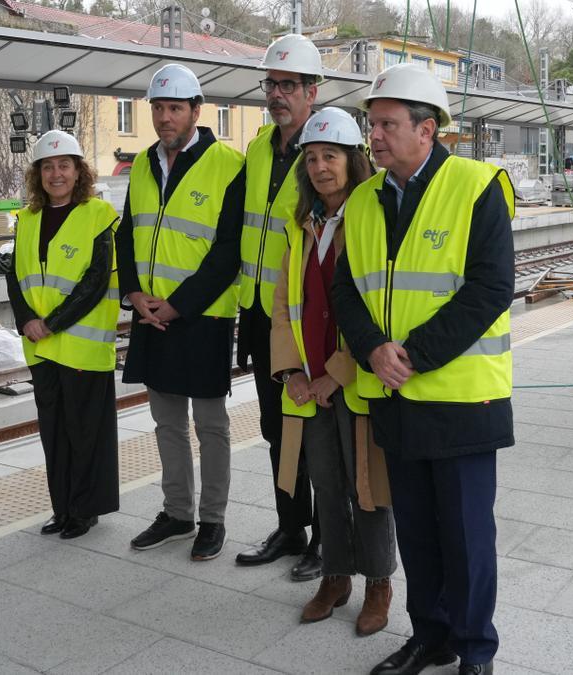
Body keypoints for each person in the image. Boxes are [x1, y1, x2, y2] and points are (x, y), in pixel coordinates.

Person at [331, 63, 515, 675]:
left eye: (386, 124)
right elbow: (345, 292)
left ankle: (475, 650)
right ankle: (430, 636)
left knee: (466, 538)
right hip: (395, 397)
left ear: (426, 129)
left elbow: (490, 288)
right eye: (370, 123)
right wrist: (371, 350)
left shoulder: (477, 185)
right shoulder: (362, 200)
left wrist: (409, 353)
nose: (373, 136)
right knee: (417, 529)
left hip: (462, 398)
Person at [271, 107, 398, 635]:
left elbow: (379, 305)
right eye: (312, 158)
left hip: (356, 382)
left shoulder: (371, 219)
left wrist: (337, 372)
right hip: (310, 386)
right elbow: (284, 305)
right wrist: (292, 372)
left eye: (331, 156)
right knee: (325, 481)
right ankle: (336, 575)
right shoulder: (304, 226)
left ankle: (378, 582)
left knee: (367, 487)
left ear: (354, 160)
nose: (321, 167)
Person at [117, 63, 245, 561]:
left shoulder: (228, 165)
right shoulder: (145, 162)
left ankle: (212, 520)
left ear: (196, 110)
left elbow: (228, 251)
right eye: (158, 108)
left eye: (175, 108)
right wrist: (133, 293)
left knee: (211, 425)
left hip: (203, 317)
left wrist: (179, 304)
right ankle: (176, 512)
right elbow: (127, 232)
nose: (165, 118)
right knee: (166, 422)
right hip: (151, 315)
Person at [235, 33, 324, 581]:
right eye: (271, 84)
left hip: (308, 317)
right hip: (261, 312)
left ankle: (326, 537)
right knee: (276, 427)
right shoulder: (257, 148)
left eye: (288, 85)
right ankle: (290, 527)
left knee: (316, 428)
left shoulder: (330, 149)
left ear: (312, 92)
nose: (277, 94)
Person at [6, 130, 121, 540]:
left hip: (80, 345)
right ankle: (62, 508)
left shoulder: (98, 216)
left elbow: (95, 282)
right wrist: (27, 321)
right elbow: (15, 278)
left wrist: (51, 322)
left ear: (79, 172)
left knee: (85, 432)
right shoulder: (27, 220)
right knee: (54, 433)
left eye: (64, 165)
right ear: (38, 174)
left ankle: (84, 510)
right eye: (48, 166)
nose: (56, 173)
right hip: (40, 346)